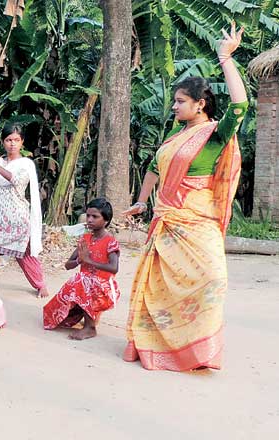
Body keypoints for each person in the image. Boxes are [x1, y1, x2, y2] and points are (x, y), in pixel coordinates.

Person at [122, 23, 248, 371]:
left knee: (213, 280)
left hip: (199, 222)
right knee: (161, 287)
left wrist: (225, 58)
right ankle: (159, 347)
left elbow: (240, 106)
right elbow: (153, 166)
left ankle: (197, 350)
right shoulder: (176, 135)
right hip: (167, 221)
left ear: (200, 104)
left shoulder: (214, 135)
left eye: (180, 102)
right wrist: (142, 200)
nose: (174, 107)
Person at [0, 123, 49, 298]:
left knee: (26, 255)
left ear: (22, 142)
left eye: (16, 140)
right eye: (8, 140)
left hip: (18, 219)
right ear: (3, 142)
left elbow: (18, 182)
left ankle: (40, 284)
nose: (12, 144)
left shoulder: (25, 164)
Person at [43, 198, 120, 340]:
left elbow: (114, 268)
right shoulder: (85, 239)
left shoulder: (110, 241)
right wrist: (80, 260)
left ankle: (90, 328)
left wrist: (89, 261)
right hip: (85, 288)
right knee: (51, 316)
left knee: (81, 279)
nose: (89, 219)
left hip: (105, 289)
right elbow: (68, 265)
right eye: (88, 215)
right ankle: (90, 315)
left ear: (106, 221)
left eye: (95, 217)